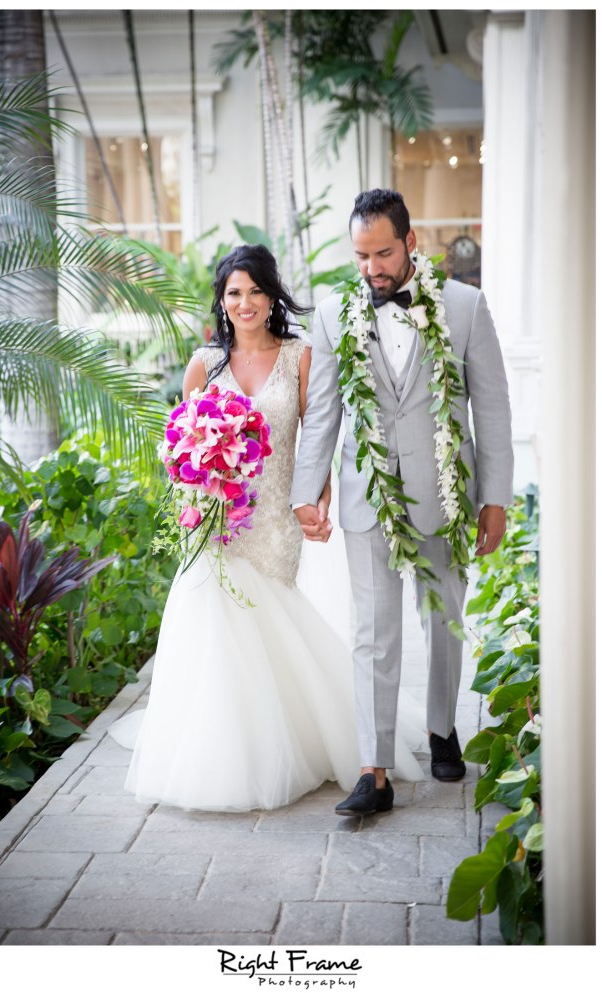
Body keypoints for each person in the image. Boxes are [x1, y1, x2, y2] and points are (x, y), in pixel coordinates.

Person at [109, 244, 427, 812]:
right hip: (216, 516)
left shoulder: (299, 357)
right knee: (214, 621)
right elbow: (180, 446)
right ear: (222, 301)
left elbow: (320, 437)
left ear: (271, 294)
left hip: (276, 518)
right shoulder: (204, 366)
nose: (245, 302)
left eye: (255, 290)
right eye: (234, 292)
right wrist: (196, 476)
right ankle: (223, 753)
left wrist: (317, 499)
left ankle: (304, 738)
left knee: (268, 618)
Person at [290, 189, 514, 817]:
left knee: (442, 619)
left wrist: (492, 498)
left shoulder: (466, 307)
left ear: (410, 243)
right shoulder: (335, 313)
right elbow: (325, 410)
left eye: (383, 253)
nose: (372, 269)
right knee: (372, 633)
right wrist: (306, 492)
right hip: (367, 498)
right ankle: (374, 768)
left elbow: (491, 408)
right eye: (361, 256)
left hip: (445, 493)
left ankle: (443, 727)